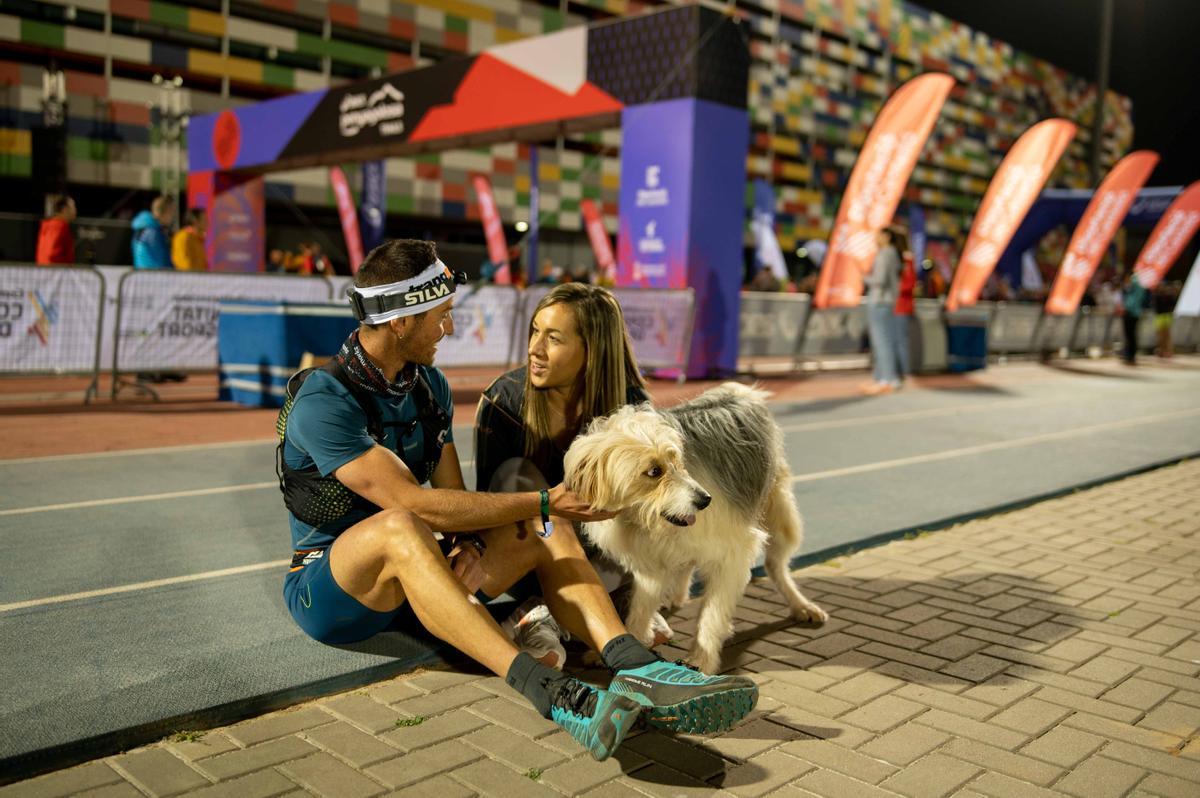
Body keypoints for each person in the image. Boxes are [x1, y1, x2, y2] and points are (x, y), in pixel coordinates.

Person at [279, 240, 757, 761]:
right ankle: (551, 694)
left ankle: (636, 665)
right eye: (441, 317)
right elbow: (416, 505)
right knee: (408, 525)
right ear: (400, 320)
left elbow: (454, 499)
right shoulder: (322, 399)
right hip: (333, 591)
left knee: (547, 528)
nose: (450, 328)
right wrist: (544, 500)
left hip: (423, 578)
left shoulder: (428, 387)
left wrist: (468, 544)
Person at [474, 283, 658, 667]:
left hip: (603, 557)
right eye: (534, 332)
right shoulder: (504, 401)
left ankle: (545, 616)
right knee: (515, 474)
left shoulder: (634, 407)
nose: (534, 349)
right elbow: (488, 510)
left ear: (592, 349)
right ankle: (573, 609)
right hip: (528, 551)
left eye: (553, 338)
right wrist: (553, 508)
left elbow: (646, 515)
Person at [861, 227, 902, 394]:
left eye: (878, 235)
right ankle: (882, 378)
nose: (875, 238)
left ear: (887, 236)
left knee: (881, 342)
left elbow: (879, 280)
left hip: (880, 302)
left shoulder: (885, 254)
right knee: (884, 342)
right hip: (887, 302)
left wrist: (863, 276)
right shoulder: (892, 253)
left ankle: (887, 380)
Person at [892, 230, 916, 382]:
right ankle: (896, 370)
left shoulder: (906, 260)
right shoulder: (899, 259)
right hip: (894, 305)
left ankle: (904, 371)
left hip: (902, 306)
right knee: (895, 340)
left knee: (900, 340)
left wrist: (891, 287)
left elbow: (909, 284)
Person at [132, 195, 174, 269]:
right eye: (171, 212)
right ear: (164, 212)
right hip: (154, 276)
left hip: (144, 273)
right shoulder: (153, 232)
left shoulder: (143, 227)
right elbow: (160, 259)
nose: (172, 216)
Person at [36, 195, 76, 265]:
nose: (75, 211)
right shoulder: (60, 227)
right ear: (64, 209)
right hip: (56, 272)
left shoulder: (48, 226)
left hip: (45, 271)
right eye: (73, 207)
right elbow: (51, 254)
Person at [1120, 272, 1148, 365]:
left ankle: (1130, 354)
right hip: (1134, 313)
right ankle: (1129, 353)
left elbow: (1131, 301)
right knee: (1131, 335)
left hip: (1131, 313)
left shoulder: (1134, 285)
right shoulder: (1137, 286)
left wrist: (1126, 307)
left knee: (1130, 335)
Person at [1153, 282, 1178, 358]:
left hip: (1166, 316)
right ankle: (1161, 350)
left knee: (1167, 335)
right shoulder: (1157, 296)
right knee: (1160, 335)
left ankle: (1168, 351)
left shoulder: (1169, 296)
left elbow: (1172, 305)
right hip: (1159, 317)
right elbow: (1156, 307)